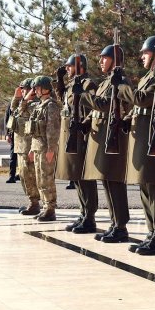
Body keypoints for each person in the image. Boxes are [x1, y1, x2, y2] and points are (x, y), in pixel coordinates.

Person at [119, 35, 155, 255]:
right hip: (142, 136)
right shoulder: (148, 77)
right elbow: (138, 106)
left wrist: (123, 88)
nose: (142, 56)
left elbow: (142, 99)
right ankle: (151, 232)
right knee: (145, 186)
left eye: (146, 53)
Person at [81, 44, 132, 242]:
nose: (100, 61)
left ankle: (121, 226)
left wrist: (84, 96)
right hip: (103, 137)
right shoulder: (105, 83)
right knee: (107, 182)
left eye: (105, 57)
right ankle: (114, 223)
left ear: (115, 60)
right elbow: (97, 110)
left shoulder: (120, 81)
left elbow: (106, 105)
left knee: (115, 183)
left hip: (114, 137)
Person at [56, 53, 99, 233]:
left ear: (79, 67)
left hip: (81, 134)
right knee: (77, 176)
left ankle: (90, 217)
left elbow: (92, 108)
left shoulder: (88, 84)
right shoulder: (72, 84)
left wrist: (84, 126)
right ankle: (83, 213)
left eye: (69, 66)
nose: (67, 69)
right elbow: (63, 99)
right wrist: (59, 80)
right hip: (69, 134)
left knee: (84, 177)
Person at [27, 76, 61, 222]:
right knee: (40, 179)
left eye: (37, 88)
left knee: (47, 178)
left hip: (46, 148)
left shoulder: (51, 106)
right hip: (38, 147)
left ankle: (50, 208)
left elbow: (52, 130)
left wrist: (51, 149)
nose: (35, 90)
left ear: (45, 89)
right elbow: (34, 130)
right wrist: (31, 149)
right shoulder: (39, 106)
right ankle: (45, 206)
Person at [10, 79, 41, 215]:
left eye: (25, 89)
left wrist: (25, 99)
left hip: (29, 148)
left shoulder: (35, 105)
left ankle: (36, 204)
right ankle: (32, 202)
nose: (22, 92)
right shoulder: (24, 103)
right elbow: (14, 111)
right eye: (21, 89)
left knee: (32, 178)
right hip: (21, 147)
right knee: (23, 177)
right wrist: (17, 97)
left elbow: (19, 110)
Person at [4, 102, 19, 183]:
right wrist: (7, 134)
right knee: (13, 156)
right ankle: (12, 176)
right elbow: (8, 119)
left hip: (26, 135)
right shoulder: (12, 104)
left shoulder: (31, 101)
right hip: (14, 134)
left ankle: (21, 174)